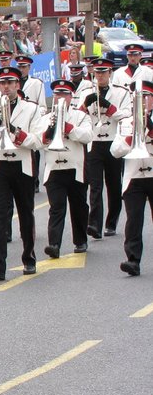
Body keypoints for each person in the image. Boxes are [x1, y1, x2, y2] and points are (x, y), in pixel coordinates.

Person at [0, 67, 48, 280]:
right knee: (0, 214)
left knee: (25, 212)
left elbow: (38, 141)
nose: (6, 86)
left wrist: (15, 132)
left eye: (10, 82)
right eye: (3, 83)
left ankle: (28, 257)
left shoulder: (31, 108)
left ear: (18, 85)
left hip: (22, 164)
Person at [78, 57, 131, 238]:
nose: (99, 76)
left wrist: (110, 108)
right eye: (97, 72)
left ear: (110, 73)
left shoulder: (121, 92)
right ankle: (94, 224)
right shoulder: (86, 90)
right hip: (94, 142)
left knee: (114, 184)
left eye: (103, 72)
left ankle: (111, 222)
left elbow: (127, 116)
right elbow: (76, 116)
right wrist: (86, 104)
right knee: (95, 185)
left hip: (113, 141)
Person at [42, 79, 93, 258]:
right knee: (56, 207)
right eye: (57, 94)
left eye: (64, 94)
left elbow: (87, 136)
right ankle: (54, 244)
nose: (60, 97)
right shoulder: (46, 118)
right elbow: (39, 141)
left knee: (78, 206)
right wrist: (48, 132)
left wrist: (69, 128)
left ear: (71, 96)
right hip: (54, 168)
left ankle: (80, 240)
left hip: (75, 167)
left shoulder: (81, 116)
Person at [111, 79, 153, 275]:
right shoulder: (126, 122)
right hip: (134, 177)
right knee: (133, 220)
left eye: (146, 96)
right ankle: (133, 260)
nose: (143, 100)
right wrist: (133, 135)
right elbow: (115, 150)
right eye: (139, 97)